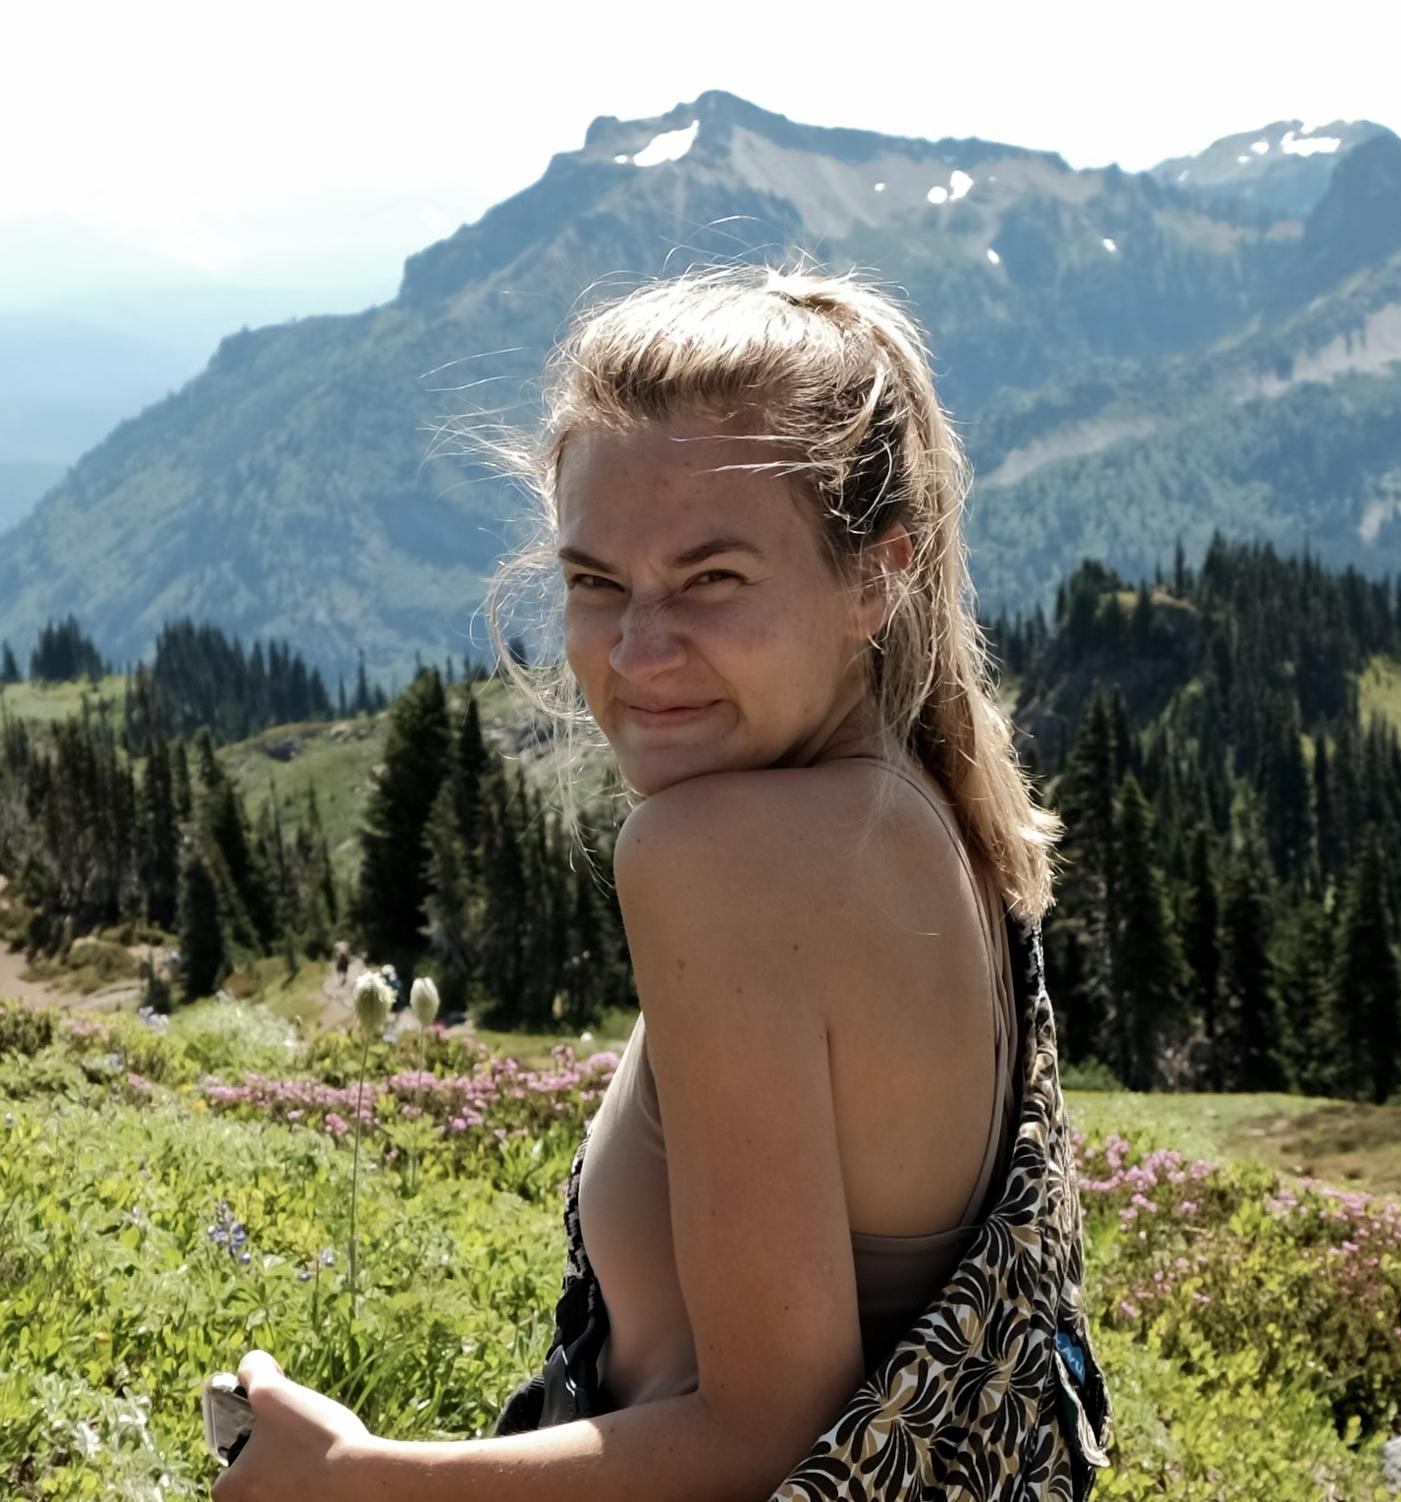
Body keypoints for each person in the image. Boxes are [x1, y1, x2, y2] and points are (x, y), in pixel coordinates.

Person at [213, 263, 1111, 1502]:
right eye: (594, 582)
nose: (637, 652)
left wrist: (361, 1474)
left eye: (710, 579)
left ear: (875, 575)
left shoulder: (722, 856)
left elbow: (764, 1434)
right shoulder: (932, 809)